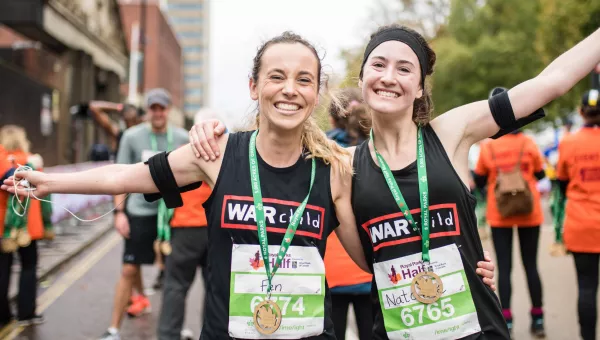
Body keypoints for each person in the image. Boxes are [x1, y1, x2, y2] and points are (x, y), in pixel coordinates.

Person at [2, 32, 495, 340]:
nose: (290, 89)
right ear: (254, 86)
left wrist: (469, 271)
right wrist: (46, 182)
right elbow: (130, 176)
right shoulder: (216, 154)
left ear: (317, 92)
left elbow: (377, 255)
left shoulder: (334, 167)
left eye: (304, 79)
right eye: (276, 76)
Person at [189, 25, 600, 340]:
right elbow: (276, 159)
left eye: (405, 69)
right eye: (378, 65)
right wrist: (208, 132)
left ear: (419, 87)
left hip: (477, 329)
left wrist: (468, 261)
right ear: (363, 77)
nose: (389, 77)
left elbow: (552, 83)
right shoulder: (342, 165)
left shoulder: (450, 133)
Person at [103, 88, 189, 340]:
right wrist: (119, 213)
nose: (158, 112)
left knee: (176, 274)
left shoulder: (182, 137)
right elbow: (118, 177)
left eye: (162, 108)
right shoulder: (131, 137)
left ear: (168, 110)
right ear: (148, 111)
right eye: (154, 108)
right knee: (129, 268)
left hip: (173, 214)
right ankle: (113, 330)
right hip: (139, 212)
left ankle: (176, 326)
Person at [474, 118, 546, 336]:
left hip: (500, 213)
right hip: (529, 212)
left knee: (504, 268)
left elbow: (478, 179)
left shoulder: (489, 146)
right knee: (531, 265)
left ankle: (506, 319)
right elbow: (540, 173)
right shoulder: (529, 143)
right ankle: (538, 317)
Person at [157, 109, 216, 340]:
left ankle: (168, 335)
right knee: (215, 289)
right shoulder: (224, 154)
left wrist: (163, 233)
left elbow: (166, 195)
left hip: (184, 228)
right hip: (214, 230)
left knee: (175, 286)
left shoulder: (182, 154)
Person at [324, 90, 373, 340]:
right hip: (371, 260)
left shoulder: (321, 152)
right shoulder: (377, 151)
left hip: (331, 264)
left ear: (332, 120)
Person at [556, 89, 600, 340]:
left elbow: (562, 182)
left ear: (582, 112)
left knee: (586, 286)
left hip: (582, 223)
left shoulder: (569, 142)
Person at [0, 126, 45, 327]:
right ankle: (26, 313)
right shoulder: (32, 160)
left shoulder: (1, 158)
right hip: (29, 226)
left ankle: (2, 315)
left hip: (4, 226)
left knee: (2, 270)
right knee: (28, 267)